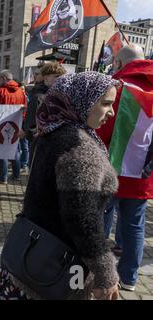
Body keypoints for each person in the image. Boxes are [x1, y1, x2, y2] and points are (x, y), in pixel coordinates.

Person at [0, 72, 120, 300]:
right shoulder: (80, 148)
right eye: (105, 103)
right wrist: (106, 274)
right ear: (82, 99)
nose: (111, 112)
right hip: (56, 264)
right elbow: (83, 221)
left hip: (33, 251)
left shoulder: (53, 129)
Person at [98, 44, 153, 292]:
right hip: (142, 173)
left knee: (100, 219)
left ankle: (98, 271)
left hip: (110, 167)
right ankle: (130, 278)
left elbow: (102, 126)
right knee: (134, 225)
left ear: (119, 63)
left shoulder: (118, 87)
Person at [0, 70, 27, 185]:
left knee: (2, 149)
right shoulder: (21, 92)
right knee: (15, 148)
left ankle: (3, 177)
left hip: (0, 125)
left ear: (4, 78)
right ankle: (16, 175)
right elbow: (25, 109)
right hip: (16, 124)